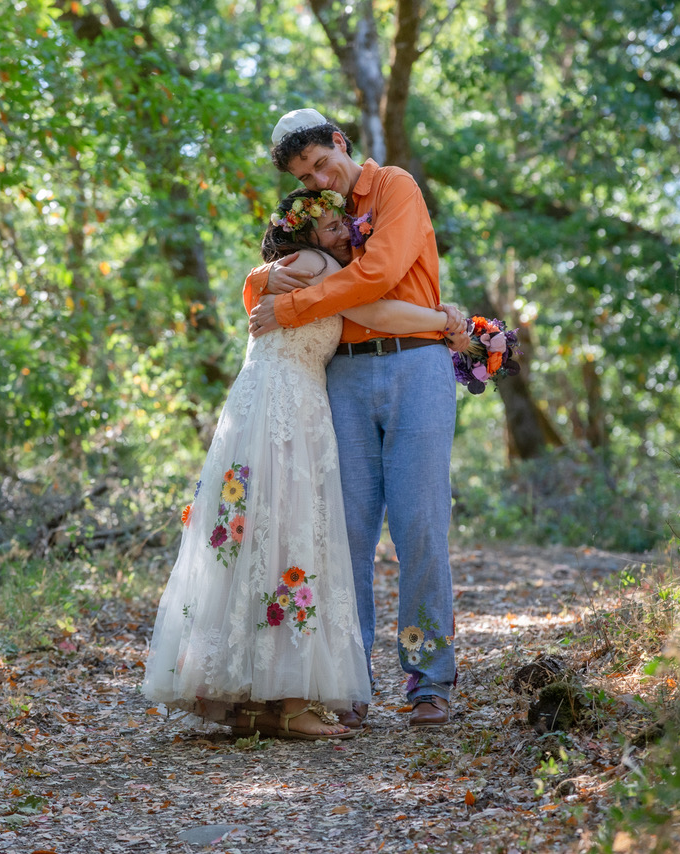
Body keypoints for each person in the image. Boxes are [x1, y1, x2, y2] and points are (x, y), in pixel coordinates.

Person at [142, 188, 460, 739]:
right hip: (287, 411)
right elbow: (374, 310)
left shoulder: (300, 265)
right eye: (333, 226)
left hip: (270, 407)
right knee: (295, 539)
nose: (346, 232)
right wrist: (447, 319)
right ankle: (293, 696)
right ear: (307, 233)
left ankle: (262, 695)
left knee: (265, 544)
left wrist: (262, 278)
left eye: (344, 223)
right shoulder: (317, 266)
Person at [246, 108, 460, 728]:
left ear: (340, 143)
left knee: (420, 525)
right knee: (345, 534)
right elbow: (262, 280)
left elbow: (379, 274)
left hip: (416, 364)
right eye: (305, 177)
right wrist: (266, 277)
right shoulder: (316, 216)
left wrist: (293, 306)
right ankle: (348, 683)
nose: (319, 180)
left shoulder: (394, 186)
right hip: (342, 375)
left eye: (321, 164)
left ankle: (429, 682)